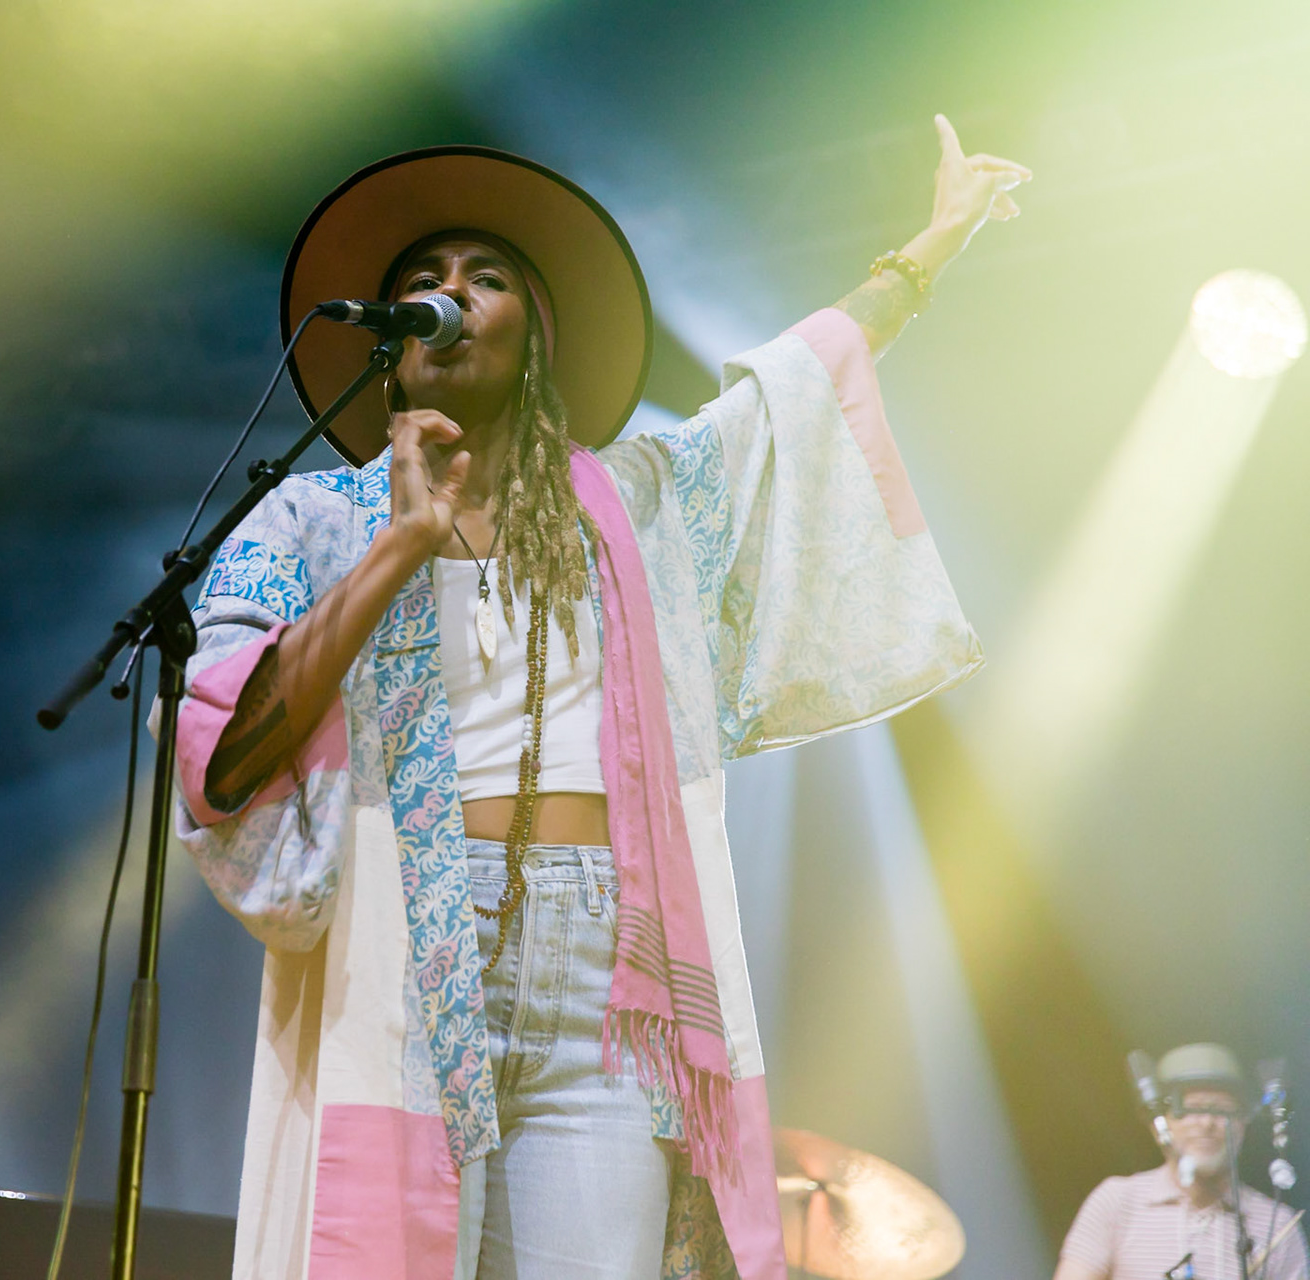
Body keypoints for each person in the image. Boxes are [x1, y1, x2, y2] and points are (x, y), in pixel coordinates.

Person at [174, 118, 1026, 1280]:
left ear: (536, 333)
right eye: (420, 284)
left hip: (606, 970)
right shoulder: (315, 521)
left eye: (484, 279)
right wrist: (399, 547)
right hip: (412, 949)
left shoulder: (639, 500)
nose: (448, 296)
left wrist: (930, 246)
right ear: (388, 342)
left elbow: (789, 399)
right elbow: (224, 754)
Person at [1057, 1044, 1308, 1280]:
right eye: (1191, 1109)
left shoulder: (1276, 1223)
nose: (1206, 1123)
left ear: (1242, 1125)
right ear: (1161, 1124)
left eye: (1221, 1110)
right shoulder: (1117, 1200)